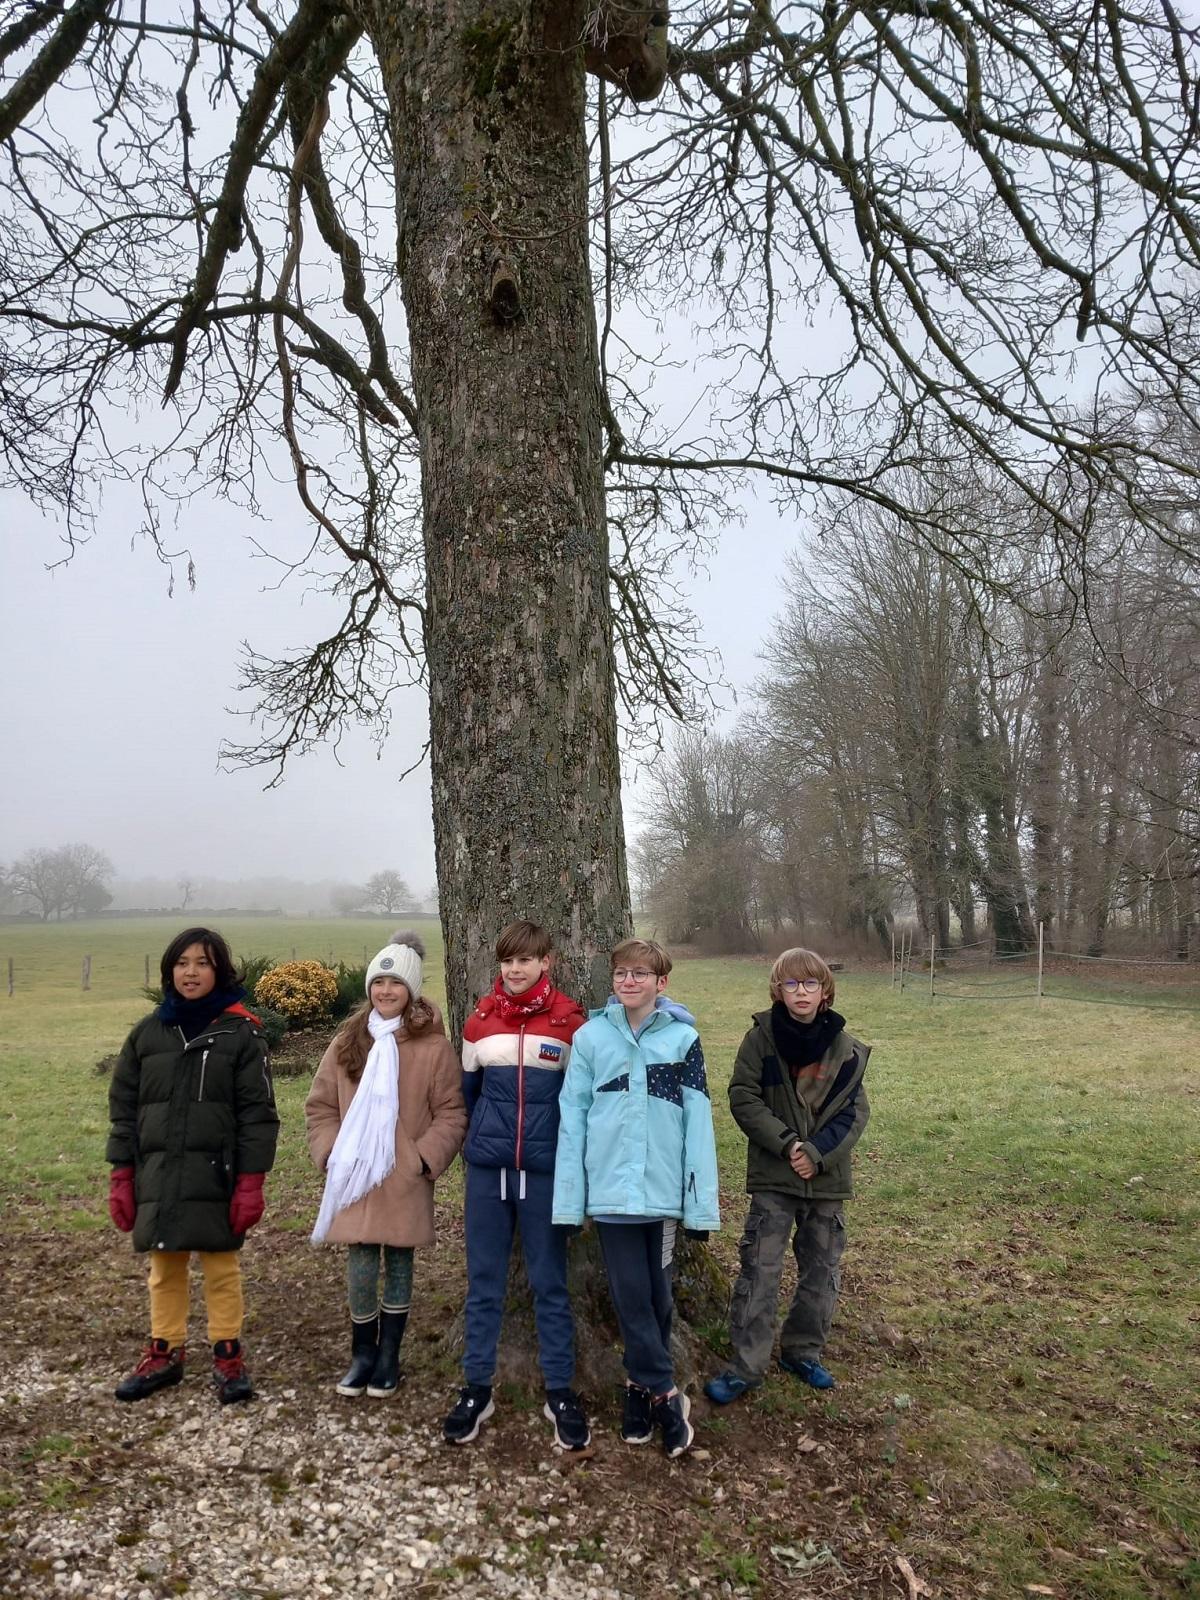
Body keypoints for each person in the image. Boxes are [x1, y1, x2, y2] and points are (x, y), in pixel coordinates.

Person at [552, 938, 720, 1459]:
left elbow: (700, 1126)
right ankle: (667, 1396)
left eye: (641, 974)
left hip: (665, 1194)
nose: (630, 981)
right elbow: (572, 1122)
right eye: (622, 973)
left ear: (661, 983)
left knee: (659, 1298)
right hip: (611, 1195)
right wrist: (569, 1202)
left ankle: (636, 1389)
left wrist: (700, 1205)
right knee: (629, 1294)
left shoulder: (683, 1041)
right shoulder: (590, 1038)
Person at [107, 927, 279, 1404]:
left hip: (217, 1177)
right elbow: (123, 1109)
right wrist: (122, 1173)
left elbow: (258, 1115)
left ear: (219, 970)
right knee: (164, 1267)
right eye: (182, 963)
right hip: (158, 1176)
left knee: (222, 1269)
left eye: (202, 963)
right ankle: (165, 1351)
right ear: (170, 971)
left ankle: (227, 1355)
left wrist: (250, 1182)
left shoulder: (242, 1034)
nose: (191, 972)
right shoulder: (147, 1035)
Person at [443, 920, 589, 1450]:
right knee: (484, 1284)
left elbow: (579, 1102)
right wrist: (479, 1146)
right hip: (487, 1174)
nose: (515, 969)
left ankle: (561, 1392)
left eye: (525, 960)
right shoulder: (480, 1022)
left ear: (546, 961)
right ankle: (476, 1388)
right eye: (507, 961)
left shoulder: (571, 1023)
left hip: (545, 1174)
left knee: (550, 1284)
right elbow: (468, 1094)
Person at [704, 947, 870, 1406]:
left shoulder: (848, 1050)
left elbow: (854, 1115)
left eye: (810, 984)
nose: (801, 992)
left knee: (821, 1270)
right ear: (778, 990)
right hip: (774, 1177)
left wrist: (816, 1153)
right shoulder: (760, 1039)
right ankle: (746, 1365)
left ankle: (803, 1351)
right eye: (792, 984)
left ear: (825, 991)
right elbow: (743, 1096)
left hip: (827, 1180)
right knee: (760, 1269)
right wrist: (788, 1145)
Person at [305, 932, 466, 1399]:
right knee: (359, 1259)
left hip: (402, 1172)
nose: (385, 991)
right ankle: (362, 1353)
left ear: (411, 991)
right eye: (378, 982)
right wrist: (332, 1151)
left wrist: (422, 1158)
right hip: (353, 1171)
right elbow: (320, 1107)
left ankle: (390, 1354)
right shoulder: (347, 1043)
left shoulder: (432, 1048)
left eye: (396, 984)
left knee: (398, 1260)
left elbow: (452, 1112)